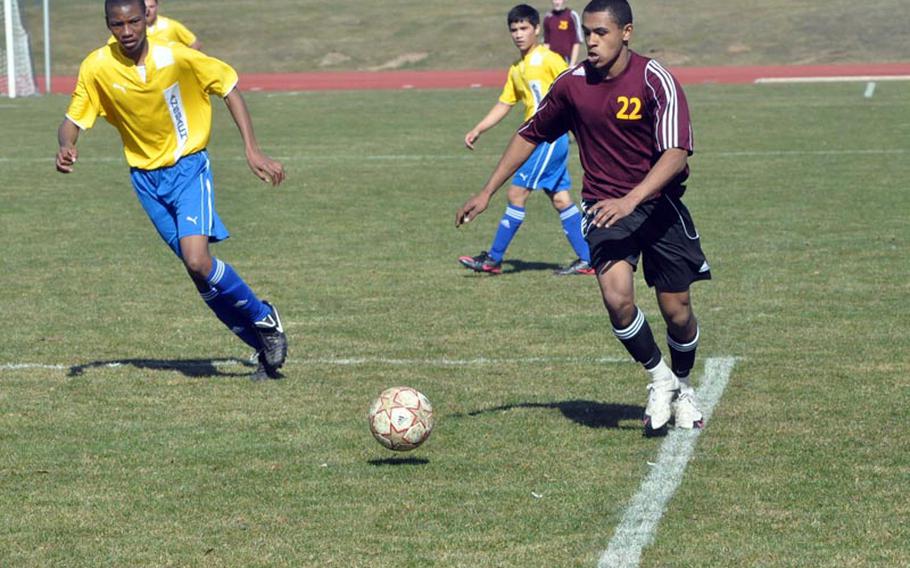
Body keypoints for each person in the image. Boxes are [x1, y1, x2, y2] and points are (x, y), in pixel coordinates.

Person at [456, 0, 710, 431]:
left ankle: (684, 387)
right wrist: (487, 190)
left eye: (601, 33)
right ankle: (659, 377)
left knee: (678, 310)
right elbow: (529, 134)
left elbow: (676, 153)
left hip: (658, 206)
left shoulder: (654, 78)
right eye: (587, 32)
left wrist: (632, 200)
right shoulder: (572, 85)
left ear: (626, 32)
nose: (591, 41)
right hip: (604, 206)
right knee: (616, 297)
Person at [57, 0, 287, 381]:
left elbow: (228, 86)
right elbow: (71, 120)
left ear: (147, 18)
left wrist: (252, 149)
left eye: (134, 21)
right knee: (197, 272)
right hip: (146, 180)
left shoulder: (177, 57)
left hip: (188, 167)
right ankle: (263, 345)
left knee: (198, 259)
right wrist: (68, 145)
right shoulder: (96, 66)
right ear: (108, 24)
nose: (127, 31)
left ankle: (265, 317)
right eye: (118, 24)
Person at [459, 4, 593, 276]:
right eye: (514, 29)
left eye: (524, 28)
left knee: (516, 193)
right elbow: (505, 103)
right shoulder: (517, 67)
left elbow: (576, 83)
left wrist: (582, 126)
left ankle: (494, 259)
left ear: (536, 30)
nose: (519, 34)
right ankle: (589, 259)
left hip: (548, 137)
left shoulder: (548, 58)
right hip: (538, 138)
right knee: (561, 199)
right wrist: (479, 129)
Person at [107, 0, 200, 49]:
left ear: (157, 7)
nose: (148, 11)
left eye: (151, 7)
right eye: (146, 7)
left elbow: (194, 43)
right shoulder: (127, 32)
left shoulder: (170, 25)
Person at [543, 0, 584, 65]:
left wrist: (571, 64)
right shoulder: (548, 17)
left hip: (567, 61)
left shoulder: (571, 15)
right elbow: (546, 43)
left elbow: (576, 42)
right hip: (552, 62)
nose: (557, 2)